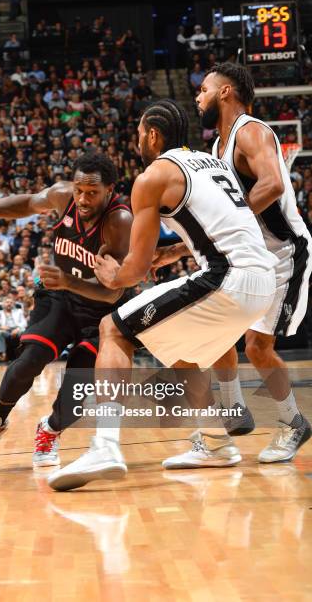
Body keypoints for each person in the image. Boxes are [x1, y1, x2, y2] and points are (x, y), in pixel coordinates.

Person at [47, 99, 277, 492]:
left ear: (152, 135)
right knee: (188, 354)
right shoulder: (212, 163)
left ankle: (104, 445)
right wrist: (169, 253)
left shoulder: (153, 176)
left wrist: (112, 274)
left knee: (113, 329)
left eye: (138, 133)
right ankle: (217, 445)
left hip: (228, 278)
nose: (136, 140)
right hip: (263, 282)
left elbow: (132, 272)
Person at [0, 152, 132, 467]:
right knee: (30, 359)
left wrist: (68, 281)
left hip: (101, 310)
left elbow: (113, 292)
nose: (83, 198)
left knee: (79, 386)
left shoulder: (120, 221)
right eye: (79, 190)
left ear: (111, 190)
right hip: (61, 298)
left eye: (92, 193)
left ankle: (49, 430)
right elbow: (27, 203)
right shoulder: (63, 196)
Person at [193, 62, 312, 462]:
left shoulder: (251, 130)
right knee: (218, 329)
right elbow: (216, 217)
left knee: (258, 347)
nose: (199, 96)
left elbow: (273, 184)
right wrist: (179, 247)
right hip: (248, 255)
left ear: (225, 92)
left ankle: (294, 424)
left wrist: (232, 220)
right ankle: (231, 416)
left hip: (284, 252)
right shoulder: (215, 148)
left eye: (204, 89)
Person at [0, 295, 26, 361]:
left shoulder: (19, 311)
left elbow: (24, 323)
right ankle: (3, 354)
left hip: (17, 329)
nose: (9, 304)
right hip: (6, 330)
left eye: (11, 302)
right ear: (3, 304)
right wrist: (1, 327)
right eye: (7, 302)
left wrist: (17, 329)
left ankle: (23, 354)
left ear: (13, 304)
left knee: (23, 332)